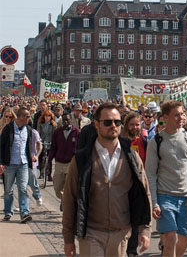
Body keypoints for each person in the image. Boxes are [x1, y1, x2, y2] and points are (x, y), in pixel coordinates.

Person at [62, 103, 152, 257]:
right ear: (96, 124)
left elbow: (144, 193)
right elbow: (69, 198)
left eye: (117, 122)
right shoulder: (82, 158)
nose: (113, 126)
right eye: (107, 122)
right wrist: (68, 238)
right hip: (91, 232)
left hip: (121, 232)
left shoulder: (131, 156)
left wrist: (145, 229)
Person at [145, 100, 187, 257]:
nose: (181, 118)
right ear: (165, 117)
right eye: (176, 115)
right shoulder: (156, 141)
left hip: (186, 196)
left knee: (185, 241)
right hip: (165, 197)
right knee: (170, 239)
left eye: (182, 114)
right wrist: (154, 202)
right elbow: (150, 173)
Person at [0, 107, 35, 223]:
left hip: (23, 163)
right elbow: (1, 146)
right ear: (21, 117)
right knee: (8, 190)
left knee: (23, 188)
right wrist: (1, 162)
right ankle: (8, 212)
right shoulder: (8, 129)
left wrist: (31, 159)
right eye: (27, 116)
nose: (29, 118)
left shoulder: (28, 129)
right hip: (10, 164)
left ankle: (25, 213)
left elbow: (29, 146)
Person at [121, 112, 148, 257]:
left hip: (138, 186)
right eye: (131, 124)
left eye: (137, 124)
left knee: (136, 220)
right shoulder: (120, 141)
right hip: (124, 184)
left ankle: (131, 251)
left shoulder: (144, 142)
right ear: (126, 126)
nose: (135, 127)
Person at [48, 113, 79, 210]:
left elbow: (80, 148)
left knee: (69, 186)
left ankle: (67, 204)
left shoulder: (77, 132)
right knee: (57, 187)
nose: (66, 121)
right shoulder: (57, 132)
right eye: (64, 120)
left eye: (68, 120)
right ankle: (65, 199)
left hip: (71, 162)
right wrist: (49, 161)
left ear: (71, 120)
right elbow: (53, 148)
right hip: (59, 162)